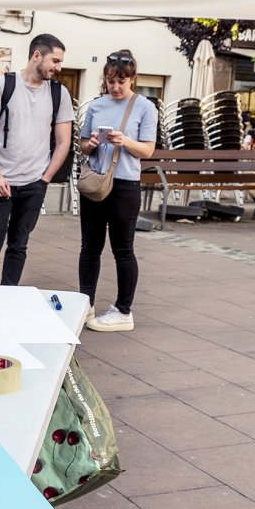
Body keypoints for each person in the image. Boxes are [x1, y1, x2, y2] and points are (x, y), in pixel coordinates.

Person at [0, 33, 73, 286]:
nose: (58, 68)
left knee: (19, 245)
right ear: (37, 56)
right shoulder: (2, 85)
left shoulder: (59, 93)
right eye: (55, 61)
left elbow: (64, 141)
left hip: (33, 183)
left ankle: (10, 296)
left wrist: (45, 179)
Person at [78, 50, 158, 333]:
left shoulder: (145, 107)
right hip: (97, 181)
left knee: (123, 249)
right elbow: (83, 143)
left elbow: (148, 149)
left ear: (132, 78)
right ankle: (84, 305)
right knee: (90, 247)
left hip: (125, 184)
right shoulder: (97, 105)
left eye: (122, 81)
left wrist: (125, 141)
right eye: (111, 81)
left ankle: (124, 310)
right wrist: (93, 143)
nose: (116, 87)